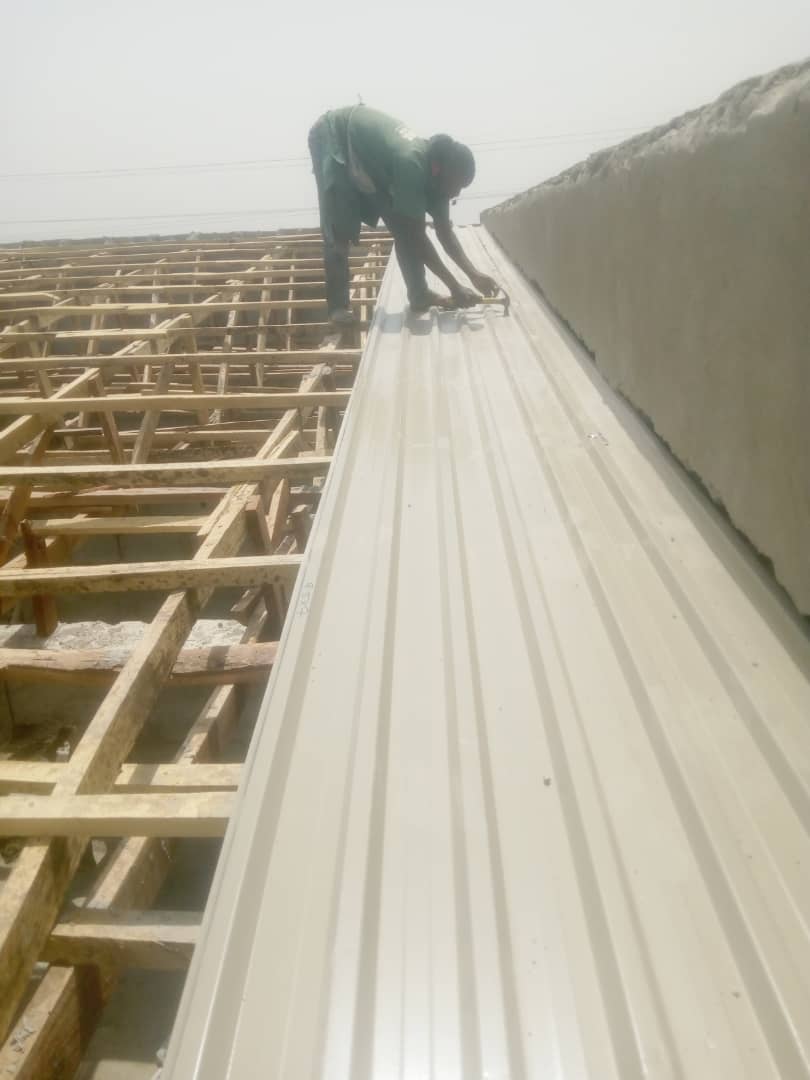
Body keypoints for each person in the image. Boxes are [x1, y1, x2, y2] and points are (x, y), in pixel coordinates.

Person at [308, 104, 499, 325]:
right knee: (338, 226)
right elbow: (417, 237)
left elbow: (445, 234)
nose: (456, 193)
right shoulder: (411, 163)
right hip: (335, 136)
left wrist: (474, 275)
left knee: (402, 228)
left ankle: (419, 295)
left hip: (370, 161)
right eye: (456, 185)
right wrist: (454, 286)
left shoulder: (440, 182)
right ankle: (338, 308)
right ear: (439, 170)